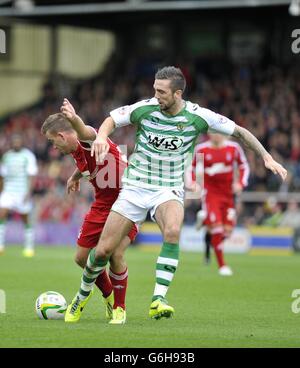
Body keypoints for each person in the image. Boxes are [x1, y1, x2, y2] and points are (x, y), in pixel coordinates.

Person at [65, 66, 287, 322]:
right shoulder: (145, 108)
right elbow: (111, 119)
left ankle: (158, 299)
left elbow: (240, 132)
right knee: (103, 252)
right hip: (135, 187)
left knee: (172, 231)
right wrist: (102, 136)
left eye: (161, 92)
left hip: (168, 189)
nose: (156, 95)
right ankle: (81, 297)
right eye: (154, 90)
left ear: (178, 93)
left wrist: (266, 157)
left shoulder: (198, 116)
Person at [41, 99, 137, 324]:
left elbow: (84, 130)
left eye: (53, 143)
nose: (54, 148)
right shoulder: (75, 151)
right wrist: (75, 176)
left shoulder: (87, 139)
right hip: (102, 203)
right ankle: (108, 295)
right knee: (81, 258)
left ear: (63, 136)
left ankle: (119, 308)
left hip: (129, 201)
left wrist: (74, 118)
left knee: (115, 254)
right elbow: (86, 164)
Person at [191, 133, 250, 276]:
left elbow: (244, 166)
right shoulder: (201, 149)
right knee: (217, 229)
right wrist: (194, 183)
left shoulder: (234, 148)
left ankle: (204, 220)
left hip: (228, 196)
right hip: (210, 195)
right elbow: (190, 167)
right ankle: (222, 266)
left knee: (227, 232)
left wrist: (241, 183)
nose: (216, 135)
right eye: (213, 132)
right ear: (209, 133)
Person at [0, 134, 38, 257]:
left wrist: (28, 192)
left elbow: (32, 175)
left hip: (22, 191)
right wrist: (2, 191)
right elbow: (2, 176)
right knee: (2, 214)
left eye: (18, 141)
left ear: (22, 142)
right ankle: (0, 245)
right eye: (14, 141)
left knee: (25, 219)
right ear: (12, 143)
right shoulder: (7, 156)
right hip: (8, 191)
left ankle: (29, 247)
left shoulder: (28, 156)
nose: (16, 143)